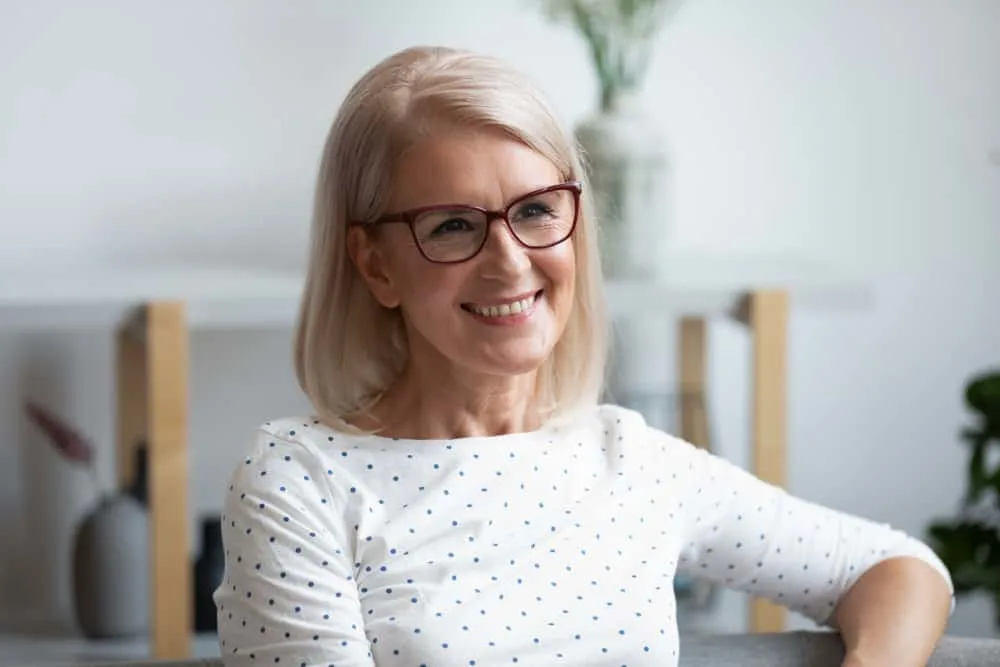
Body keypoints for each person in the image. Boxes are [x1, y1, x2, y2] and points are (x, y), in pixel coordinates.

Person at [213, 45, 954, 667]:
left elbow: (900, 569)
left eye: (535, 210)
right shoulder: (297, 484)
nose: (510, 262)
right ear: (374, 264)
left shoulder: (630, 461)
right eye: (451, 226)